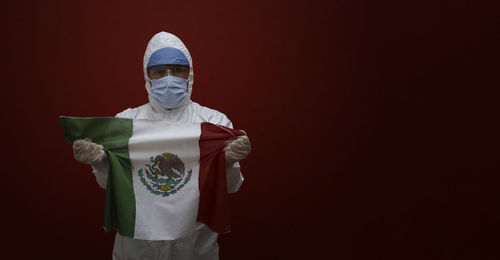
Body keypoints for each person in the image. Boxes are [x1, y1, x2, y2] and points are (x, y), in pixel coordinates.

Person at [71, 31, 251, 260]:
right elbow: (113, 187)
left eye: (177, 70)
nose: (169, 77)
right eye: (160, 71)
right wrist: (100, 162)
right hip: (138, 248)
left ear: (190, 73)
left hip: (194, 247)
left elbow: (230, 187)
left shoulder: (213, 123)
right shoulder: (126, 122)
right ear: (148, 76)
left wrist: (229, 161)